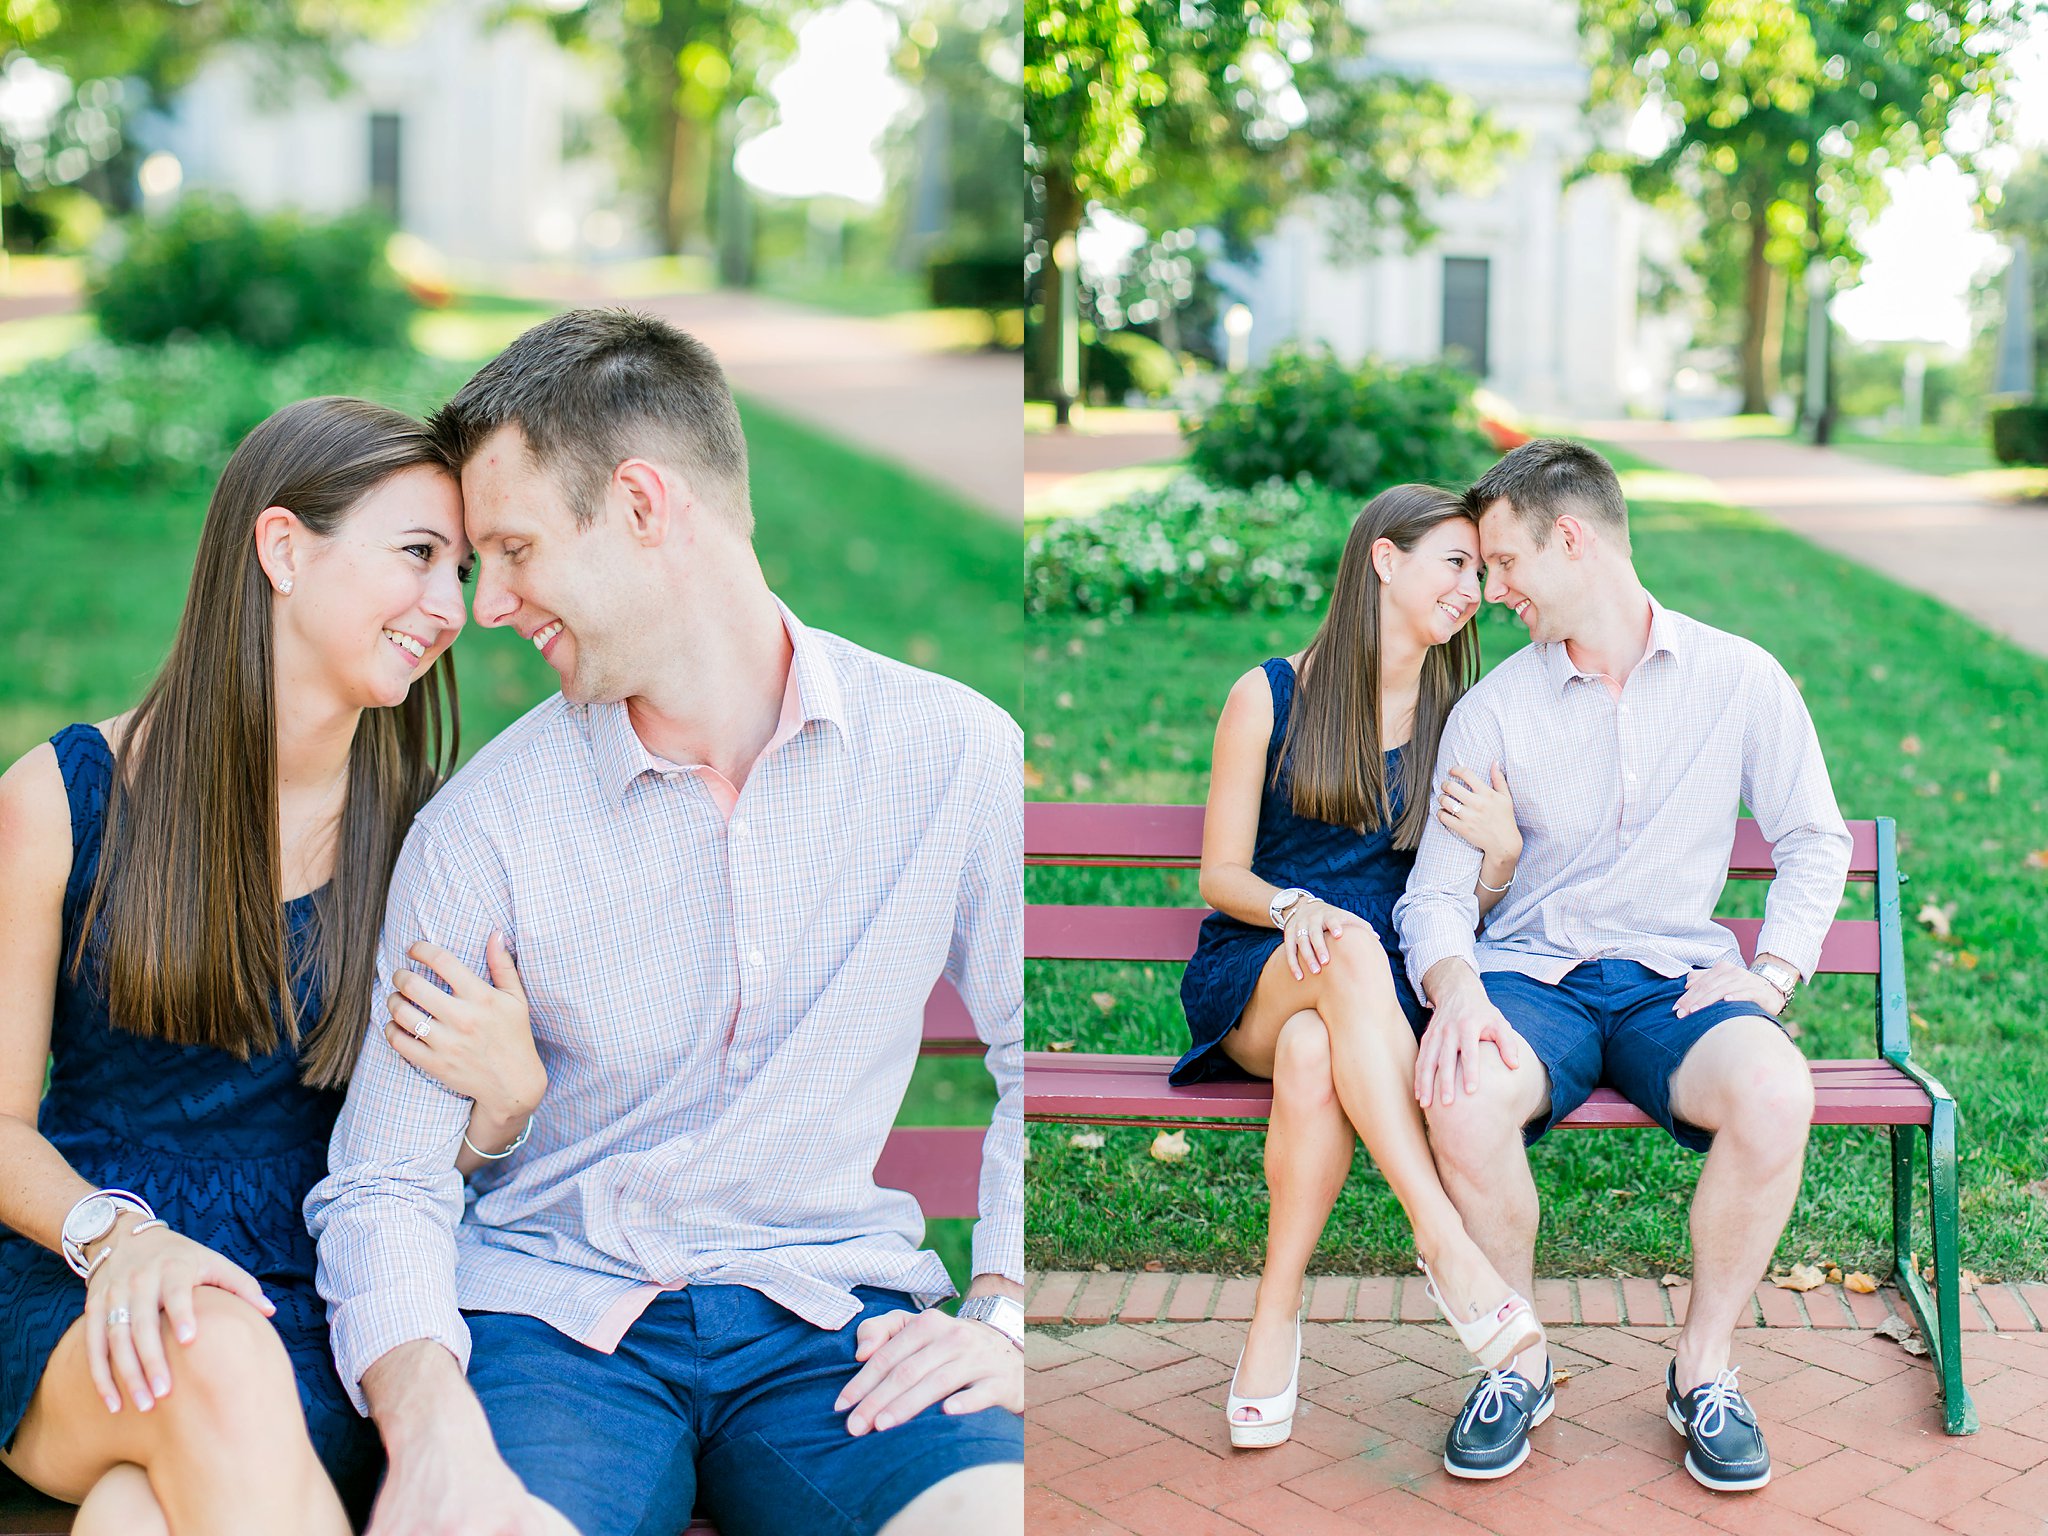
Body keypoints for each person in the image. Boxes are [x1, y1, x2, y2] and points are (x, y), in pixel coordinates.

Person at [305, 309, 1025, 1536]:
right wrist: (430, 1434)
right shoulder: (483, 827)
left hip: (832, 1322)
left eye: (516, 549)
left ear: (642, 505)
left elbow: (1036, 1054)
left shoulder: (951, 755)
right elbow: (385, 1180)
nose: (488, 605)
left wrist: (1005, 1312)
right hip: (552, 1329)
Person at [0, 398, 548, 1535]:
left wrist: (503, 1107)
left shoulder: (430, 839)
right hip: (77, 1270)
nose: (447, 608)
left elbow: (411, 1156)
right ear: (283, 547)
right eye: (417, 556)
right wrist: (121, 1239)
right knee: (207, 1345)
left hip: (328, 1300)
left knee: (132, 1520)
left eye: (461, 571)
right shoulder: (61, 801)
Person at [1394, 438, 1850, 1488]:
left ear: (1571, 539)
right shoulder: (1495, 708)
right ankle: (1515, 1362)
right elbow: (1432, 893)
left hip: (1671, 982)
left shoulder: (1737, 678)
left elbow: (1812, 839)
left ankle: (1703, 1371)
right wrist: (1454, 988)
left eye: (1503, 564)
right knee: (1459, 1093)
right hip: (1529, 981)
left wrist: (1771, 974)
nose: (1490, 588)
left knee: (1776, 1092)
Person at [1176, 484, 1544, 1454]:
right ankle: (1440, 1238)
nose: (1471, 588)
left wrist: (1501, 859)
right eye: (1453, 564)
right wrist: (1294, 906)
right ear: (1383, 559)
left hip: (1375, 991)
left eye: (1480, 570)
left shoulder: (1463, 716)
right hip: (1262, 962)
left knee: (1312, 1057)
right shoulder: (1269, 692)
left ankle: (1272, 1315)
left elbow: (1468, 903)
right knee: (1325, 966)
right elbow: (1219, 872)